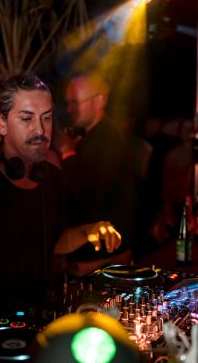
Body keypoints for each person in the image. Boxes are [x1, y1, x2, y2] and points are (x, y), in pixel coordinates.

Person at [0, 74, 122, 330]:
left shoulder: (52, 179)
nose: (39, 130)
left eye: (46, 118)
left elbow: (53, 242)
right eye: (27, 119)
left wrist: (87, 232)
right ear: (1, 123)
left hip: (39, 322)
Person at [53, 72, 133, 270]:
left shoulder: (108, 142)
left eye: (75, 102)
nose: (69, 109)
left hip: (101, 256)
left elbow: (86, 196)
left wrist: (67, 152)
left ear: (98, 101)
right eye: (67, 103)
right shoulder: (89, 137)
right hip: (90, 251)